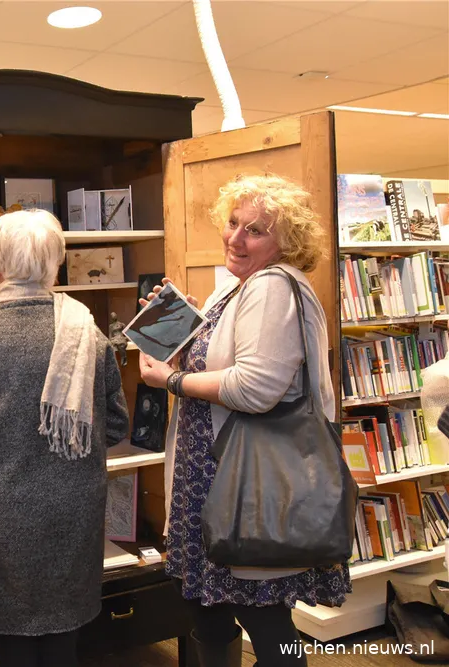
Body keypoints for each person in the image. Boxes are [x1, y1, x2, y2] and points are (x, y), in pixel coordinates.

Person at [138, 174, 351, 667]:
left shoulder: (271, 287)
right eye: (233, 223)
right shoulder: (235, 287)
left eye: (255, 231)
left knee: (263, 618)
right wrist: (180, 324)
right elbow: (221, 361)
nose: (236, 238)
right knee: (208, 610)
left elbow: (255, 388)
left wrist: (172, 381)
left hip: (243, 485)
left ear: (285, 243)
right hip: (213, 479)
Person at [0, 210, 130, 667]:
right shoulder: (88, 332)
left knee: (10, 638)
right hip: (73, 509)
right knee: (63, 637)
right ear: (54, 265)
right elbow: (115, 426)